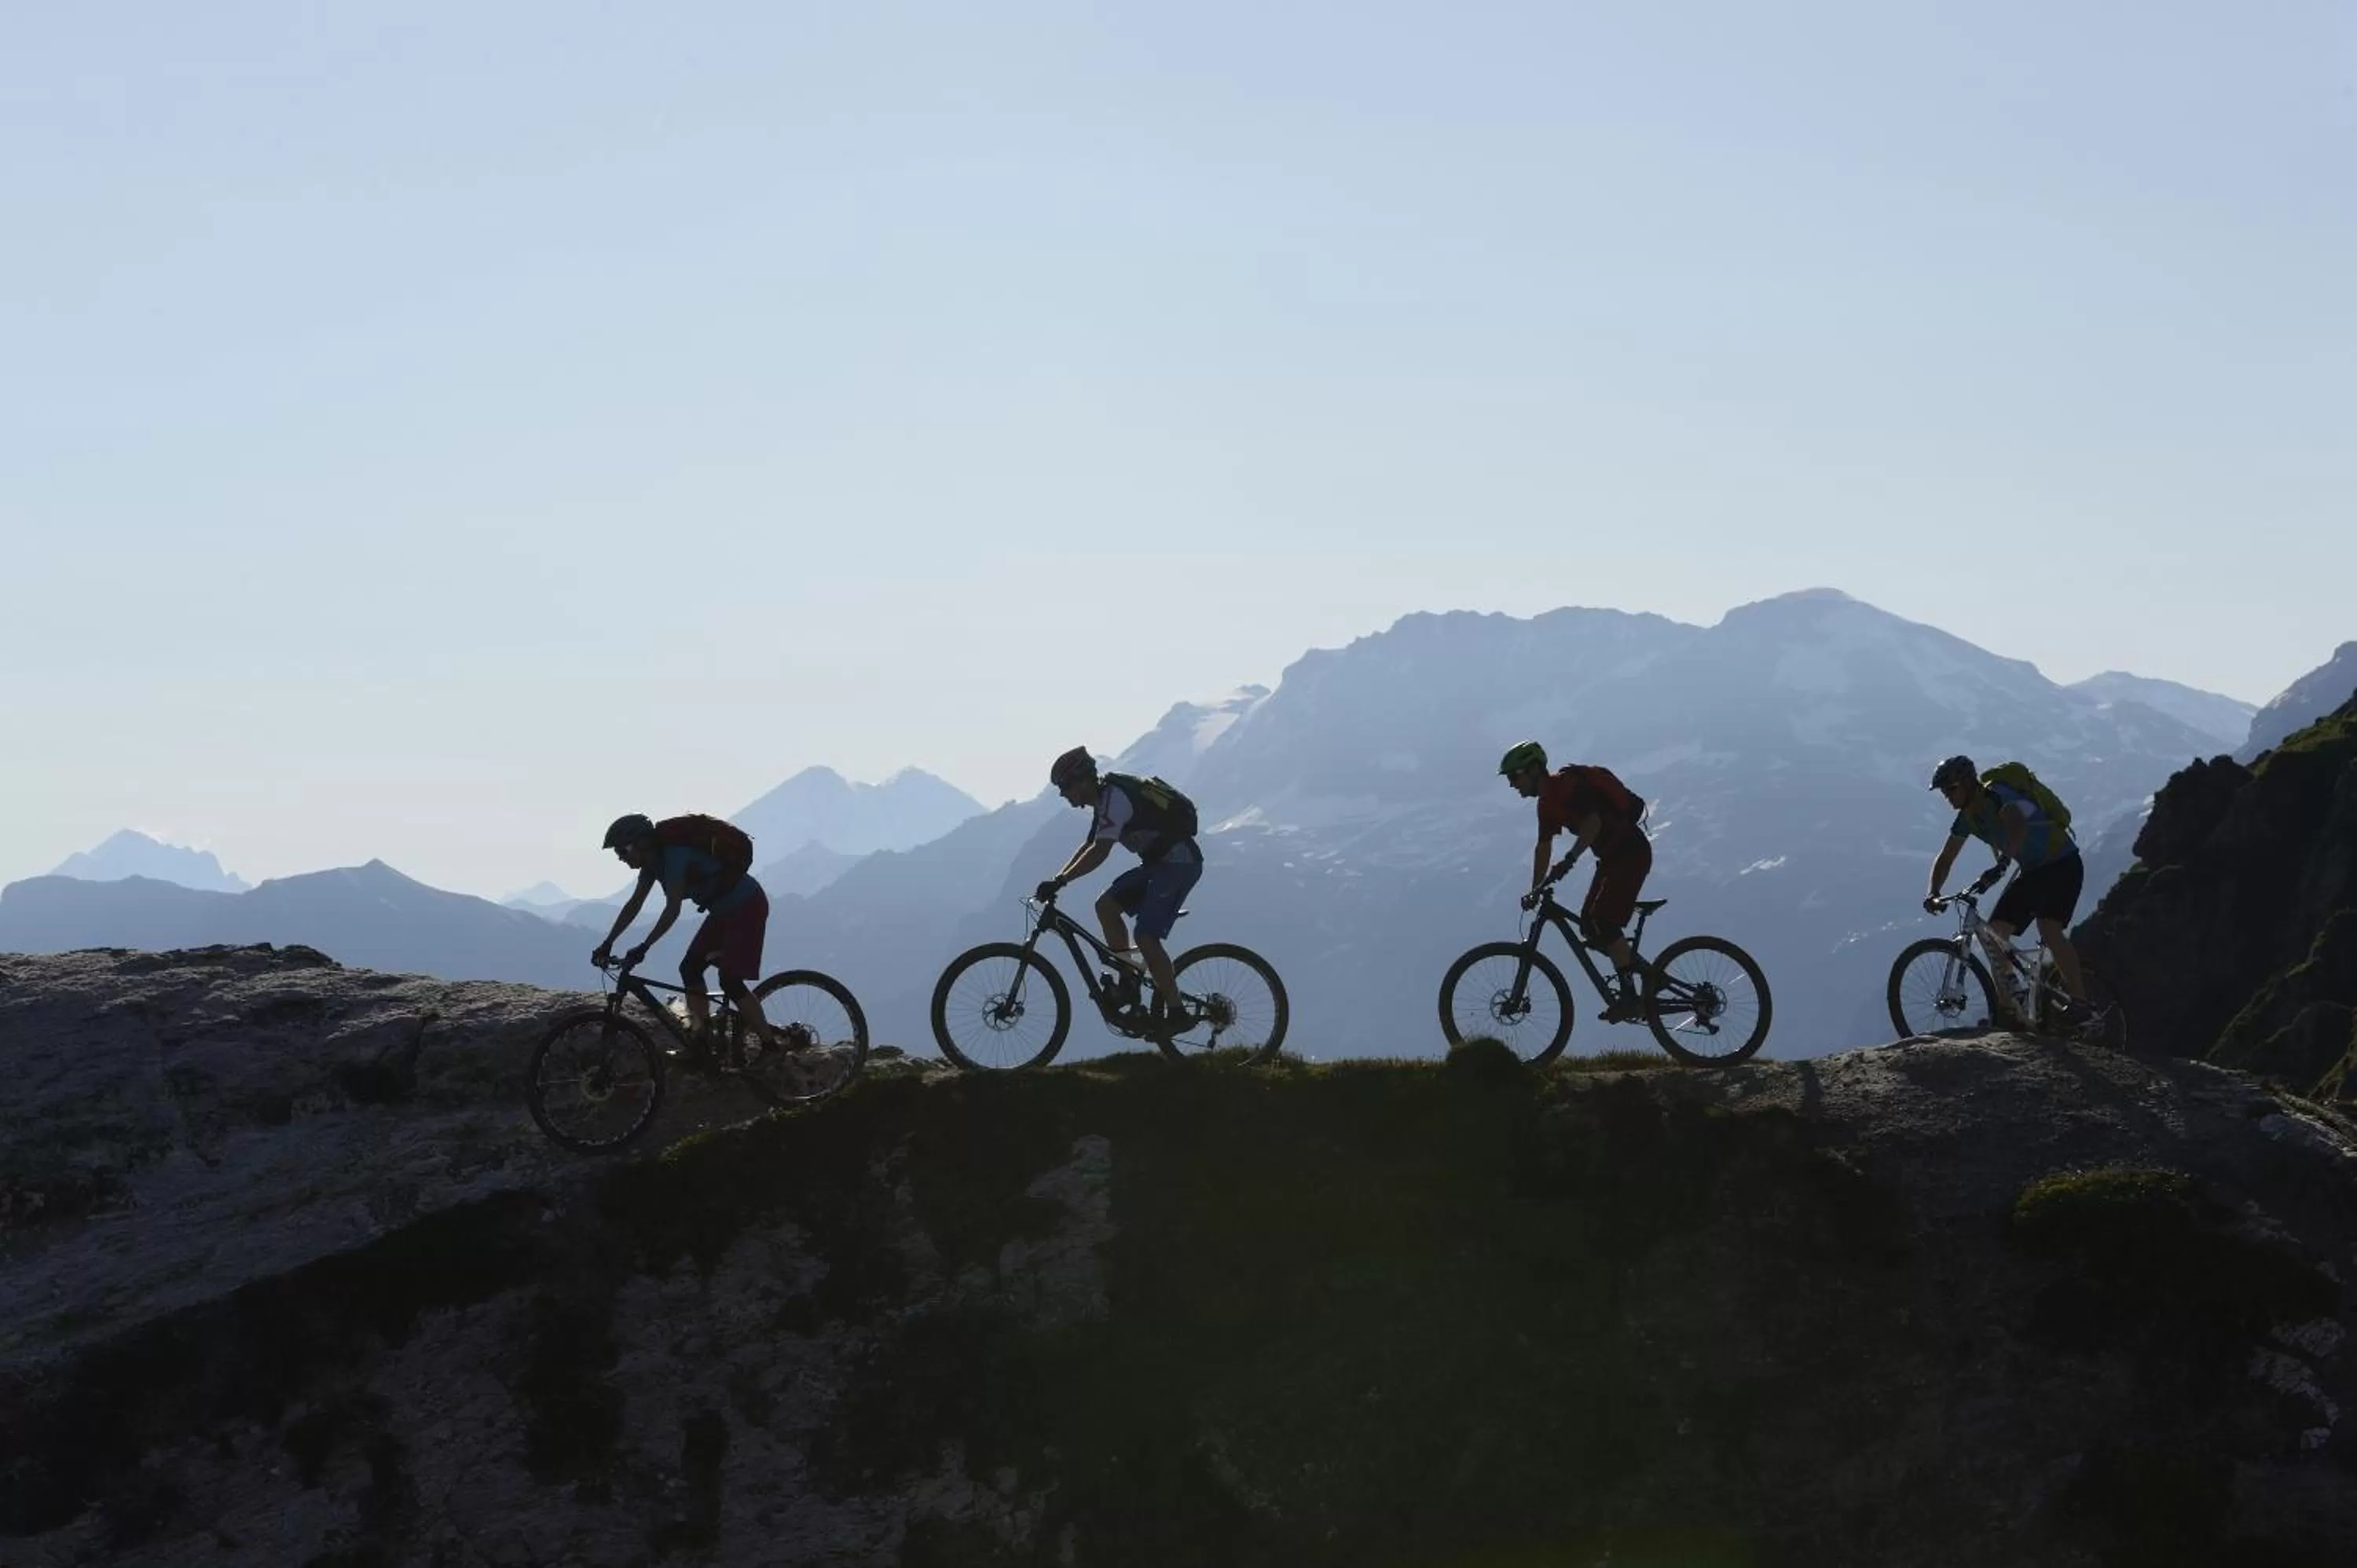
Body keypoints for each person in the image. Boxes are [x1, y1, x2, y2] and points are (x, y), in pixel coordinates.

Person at [589, 813, 779, 1065]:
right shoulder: (651, 866)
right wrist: (608, 942)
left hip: (747, 906)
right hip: (722, 911)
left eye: (623, 851)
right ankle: (701, 1040)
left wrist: (645, 946)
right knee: (690, 968)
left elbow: (672, 909)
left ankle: (770, 1047)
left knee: (730, 982)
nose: (621, 858)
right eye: (618, 853)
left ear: (642, 843)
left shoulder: (675, 856)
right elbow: (634, 904)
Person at [1037, 747, 1203, 1032]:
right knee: (1106, 906)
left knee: (1145, 936)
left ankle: (1176, 1012)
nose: (1064, 795)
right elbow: (1090, 845)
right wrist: (1059, 877)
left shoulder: (1115, 799)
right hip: (1158, 864)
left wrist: (1062, 882)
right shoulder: (1103, 802)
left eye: (1065, 787)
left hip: (1179, 863)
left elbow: (1100, 851)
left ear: (1083, 781)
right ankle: (1129, 980)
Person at [1922, 755, 2088, 1020]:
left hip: (2062, 863)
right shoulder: (1967, 818)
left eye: (1951, 789)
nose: (1947, 796)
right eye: (1944, 792)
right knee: (1994, 933)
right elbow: (1947, 856)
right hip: (2033, 870)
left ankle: (2080, 1003)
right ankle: (2010, 1008)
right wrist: (1933, 892)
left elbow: (2017, 826)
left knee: (2049, 927)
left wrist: (2003, 863)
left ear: (1967, 783)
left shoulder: (1997, 795)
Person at [1499, 740, 1653, 1021]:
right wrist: (1534, 889)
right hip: (1612, 859)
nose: (1512, 785)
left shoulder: (1566, 786)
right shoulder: (1545, 806)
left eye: (1514, 777)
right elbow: (1543, 847)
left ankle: (1631, 998)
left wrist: (1570, 859)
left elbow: (1593, 822)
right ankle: (1634, 969)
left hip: (1631, 853)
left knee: (1604, 923)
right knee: (1589, 926)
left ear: (1534, 770)